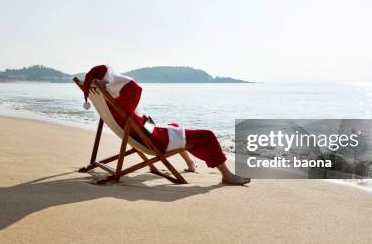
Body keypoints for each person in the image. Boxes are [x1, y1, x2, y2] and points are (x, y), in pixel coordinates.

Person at [82, 64, 250, 185]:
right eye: (112, 76)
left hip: (143, 134)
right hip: (154, 140)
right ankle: (226, 175)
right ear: (108, 80)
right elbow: (135, 87)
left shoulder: (108, 102)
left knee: (174, 124)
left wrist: (109, 87)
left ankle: (191, 164)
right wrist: (113, 84)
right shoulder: (119, 101)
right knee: (208, 135)